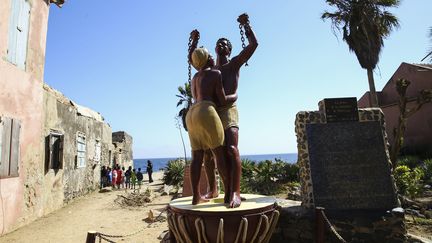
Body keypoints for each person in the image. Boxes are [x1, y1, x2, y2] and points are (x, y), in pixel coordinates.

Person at [190, 14, 258, 208]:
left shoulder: (233, 64)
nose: (221, 44)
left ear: (229, 49)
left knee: (230, 149)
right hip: (212, 112)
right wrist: (194, 41)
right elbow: (193, 59)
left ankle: (235, 192)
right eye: (218, 42)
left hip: (227, 112)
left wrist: (246, 25)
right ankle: (213, 189)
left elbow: (253, 45)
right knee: (209, 155)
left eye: (225, 43)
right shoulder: (209, 69)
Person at [186, 43, 237, 206]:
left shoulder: (195, 78)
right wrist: (234, 96)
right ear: (207, 59)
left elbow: (192, 58)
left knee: (197, 157)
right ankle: (229, 192)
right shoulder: (215, 73)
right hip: (206, 111)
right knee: (219, 154)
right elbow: (221, 100)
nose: (212, 57)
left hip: (191, 114)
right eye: (210, 56)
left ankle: (196, 196)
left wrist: (194, 43)